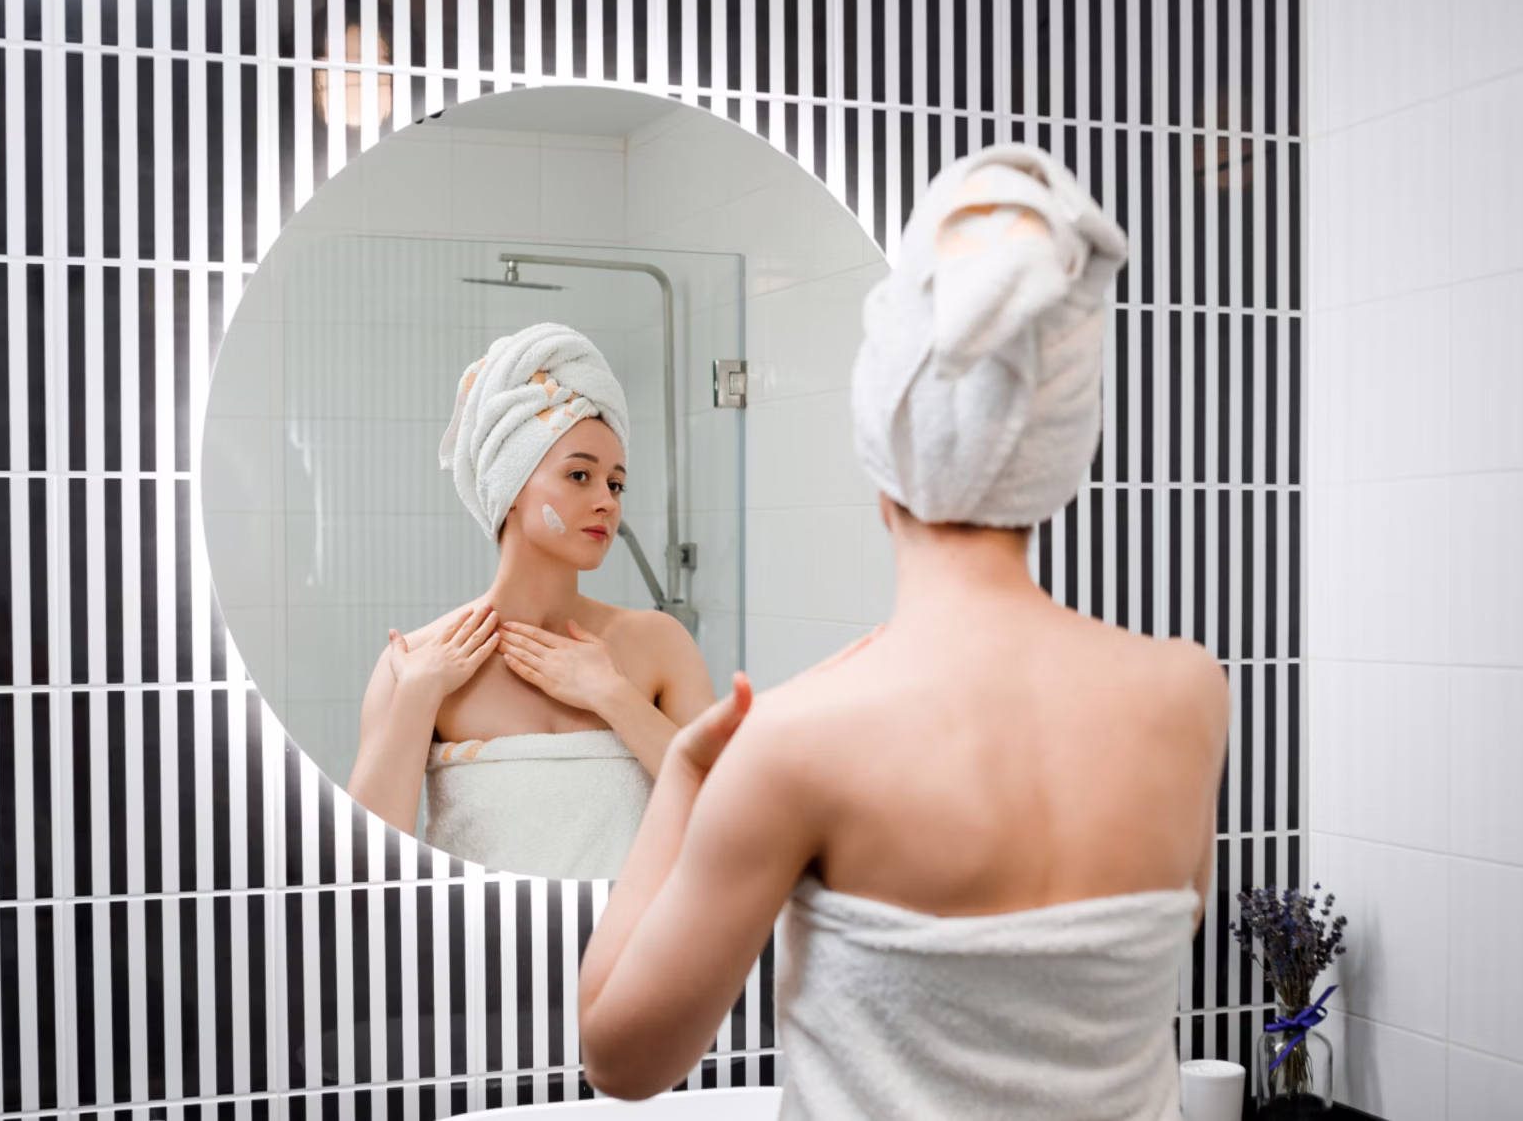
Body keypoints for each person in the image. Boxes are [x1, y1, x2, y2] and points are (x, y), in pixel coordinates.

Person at [577, 147, 1231, 1119]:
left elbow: (621, 1058)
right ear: (1063, 448)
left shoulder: (799, 741)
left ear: (880, 438)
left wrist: (679, 772)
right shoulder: (1189, 692)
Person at [346, 323, 716, 879]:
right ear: (510, 486)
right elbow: (365, 865)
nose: (605, 502)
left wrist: (612, 696)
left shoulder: (658, 644)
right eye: (579, 475)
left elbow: (731, 810)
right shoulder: (416, 662)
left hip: (624, 953)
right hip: (479, 955)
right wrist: (419, 697)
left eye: (615, 484)